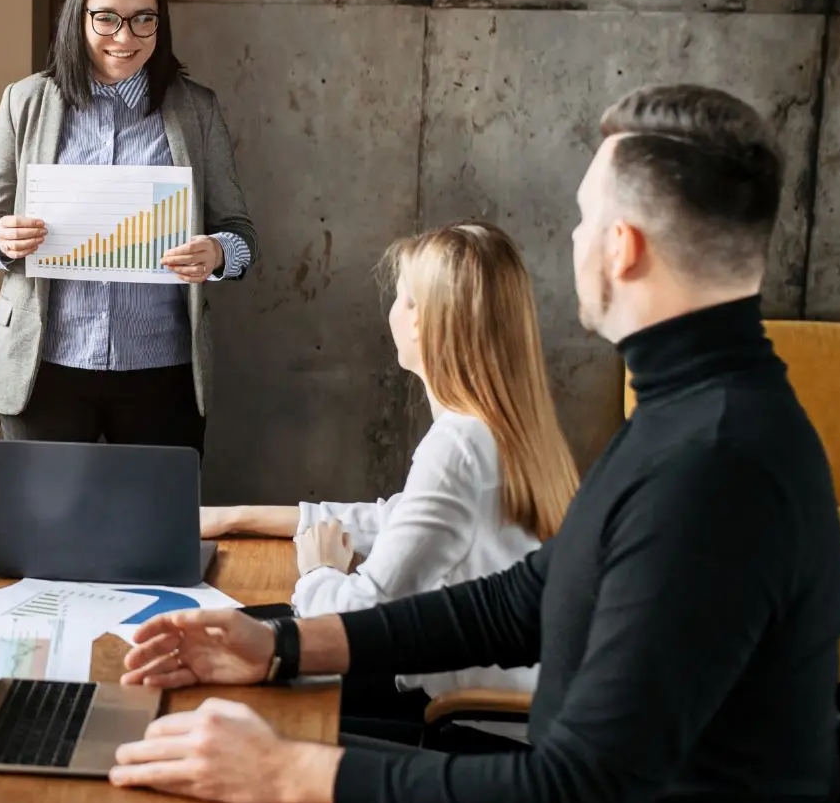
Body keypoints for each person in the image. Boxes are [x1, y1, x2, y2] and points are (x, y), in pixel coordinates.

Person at [106, 86, 840, 803]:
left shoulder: (713, 469)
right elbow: (521, 602)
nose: (572, 241)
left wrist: (287, 770)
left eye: (583, 220)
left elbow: (570, 801)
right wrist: (279, 645)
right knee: (195, 785)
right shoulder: (694, 416)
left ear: (622, 248)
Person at [202, 222, 578, 729]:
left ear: (424, 321)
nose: (392, 313)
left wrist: (318, 572)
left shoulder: (459, 446)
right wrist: (236, 518)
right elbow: (396, 521)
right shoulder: (507, 425)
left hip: (459, 717)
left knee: (222, 673)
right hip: (501, 703)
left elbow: (362, 617)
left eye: (401, 298)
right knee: (227, 637)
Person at [0, 0, 257, 453]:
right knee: (44, 508)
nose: (125, 36)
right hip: (45, 365)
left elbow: (241, 234)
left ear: (160, 22)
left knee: (155, 507)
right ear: (78, 18)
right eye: (107, 19)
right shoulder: (25, 102)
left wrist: (218, 253)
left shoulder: (196, 110)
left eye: (144, 19)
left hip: (161, 368)